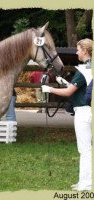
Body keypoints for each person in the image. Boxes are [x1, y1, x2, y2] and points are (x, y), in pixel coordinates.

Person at [42, 38, 92, 191]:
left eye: (78, 49)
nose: (76, 52)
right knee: (87, 149)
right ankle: (84, 181)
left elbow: (69, 92)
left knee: (85, 150)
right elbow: (80, 87)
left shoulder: (83, 70)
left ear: (84, 51)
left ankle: (86, 184)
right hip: (88, 110)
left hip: (83, 112)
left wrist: (49, 89)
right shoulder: (90, 68)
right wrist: (63, 81)